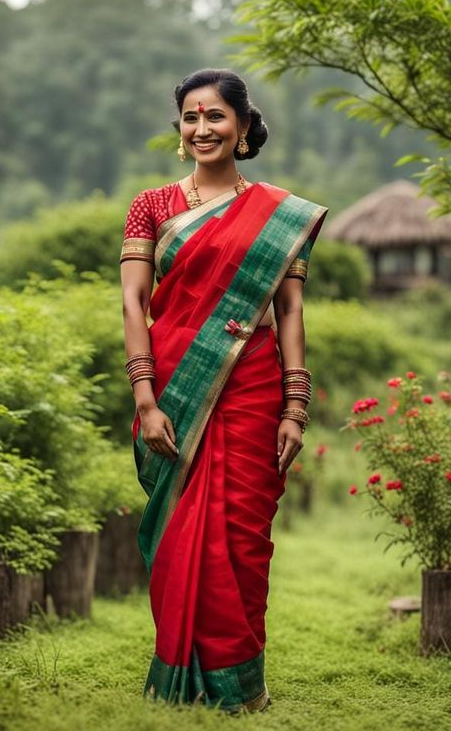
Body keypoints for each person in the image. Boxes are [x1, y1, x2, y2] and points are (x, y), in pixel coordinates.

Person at [120, 68, 326, 711]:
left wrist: (296, 404)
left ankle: (241, 685)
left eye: (215, 117)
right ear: (179, 131)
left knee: (241, 536)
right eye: (190, 117)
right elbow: (133, 302)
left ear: (241, 128)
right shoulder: (152, 205)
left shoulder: (279, 212)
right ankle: (181, 676)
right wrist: (146, 399)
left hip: (255, 384)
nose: (201, 128)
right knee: (182, 528)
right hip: (176, 382)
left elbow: (289, 311)